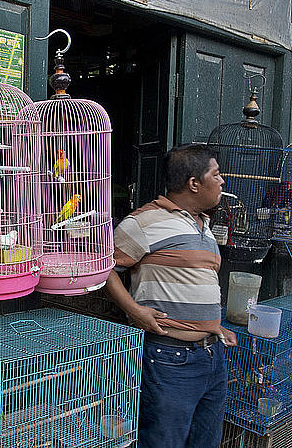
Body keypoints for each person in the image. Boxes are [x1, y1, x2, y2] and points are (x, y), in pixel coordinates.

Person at [104, 144, 237, 448]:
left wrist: (212, 325)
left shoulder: (203, 223)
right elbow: (103, 268)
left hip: (212, 357)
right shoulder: (143, 222)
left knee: (206, 441)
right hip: (170, 359)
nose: (222, 182)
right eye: (216, 175)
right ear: (194, 183)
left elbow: (192, 281)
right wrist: (134, 310)